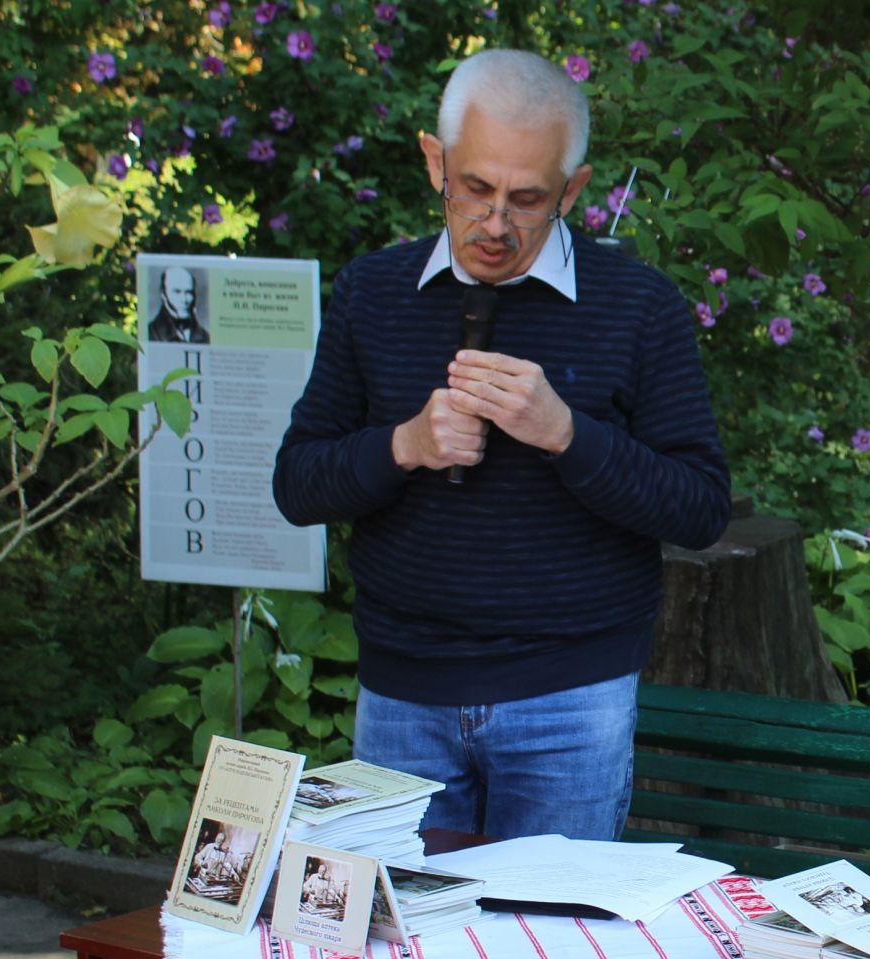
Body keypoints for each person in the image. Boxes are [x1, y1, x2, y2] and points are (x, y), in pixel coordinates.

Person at [272, 50, 731, 840]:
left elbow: (700, 509)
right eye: (476, 188)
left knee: (556, 945)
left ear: (574, 189)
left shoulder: (637, 305)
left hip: (571, 696)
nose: (495, 224)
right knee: (402, 942)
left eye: (527, 199)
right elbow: (297, 486)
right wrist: (405, 445)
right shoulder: (372, 292)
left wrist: (567, 435)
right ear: (434, 162)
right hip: (401, 694)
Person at [147, 266, 210, 344]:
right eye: (177, 292)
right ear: (163, 294)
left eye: (189, 292)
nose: (184, 299)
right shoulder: (150, 333)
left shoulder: (205, 336)